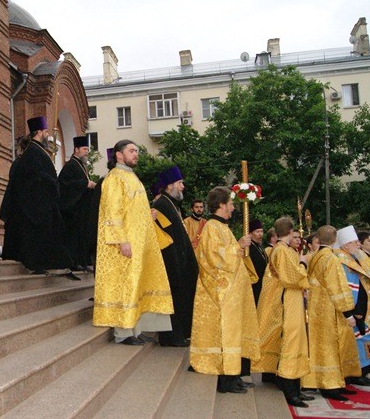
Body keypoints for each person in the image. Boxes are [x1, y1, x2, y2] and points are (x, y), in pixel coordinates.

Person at [93, 140, 173, 345]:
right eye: (131, 151)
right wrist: (122, 241)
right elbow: (112, 212)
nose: (136, 154)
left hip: (140, 242)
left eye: (136, 150)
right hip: (125, 244)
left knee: (138, 284)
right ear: (119, 155)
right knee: (126, 285)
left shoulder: (132, 177)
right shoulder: (114, 178)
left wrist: (148, 215)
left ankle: (136, 329)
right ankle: (123, 333)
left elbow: (131, 210)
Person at [190, 186, 260, 394]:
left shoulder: (222, 227)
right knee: (227, 336)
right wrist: (238, 246)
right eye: (230, 203)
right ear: (221, 205)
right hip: (223, 293)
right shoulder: (211, 227)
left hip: (234, 292)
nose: (233, 207)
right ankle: (226, 380)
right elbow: (214, 257)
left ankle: (235, 375)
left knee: (236, 334)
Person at [1, 116, 76, 278]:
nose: (47, 134)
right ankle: (41, 264)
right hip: (38, 204)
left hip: (44, 202)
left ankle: (58, 265)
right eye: (46, 131)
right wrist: (51, 182)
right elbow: (34, 177)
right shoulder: (33, 152)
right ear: (39, 132)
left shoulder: (37, 150)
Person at [253, 216, 311, 408]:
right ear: (289, 231)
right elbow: (291, 278)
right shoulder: (281, 251)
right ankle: (290, 391)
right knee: (290, 344)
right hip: (286, 302)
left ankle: (296, 387)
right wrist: (303, 263)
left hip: (292, 300)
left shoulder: (284, 250)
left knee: (296, 342)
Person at [301, 225, 361, 402]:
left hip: (316, 308)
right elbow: (338, 288)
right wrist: (348, 313)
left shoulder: (316, 256)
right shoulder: (331, 259)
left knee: (320, 347)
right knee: (331, 347)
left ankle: (328, 382)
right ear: (335, 240)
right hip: (330, 309)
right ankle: (331, 385)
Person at [151, 165, 197, 347]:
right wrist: (175, 264)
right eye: (180, 183)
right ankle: (171, 337)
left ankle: (181, 333)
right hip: (171, 262)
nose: (182, 186)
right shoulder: (161, 205)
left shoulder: (171, 204)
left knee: (181, 299)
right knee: (174, 301)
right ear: (169, 185)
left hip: (180, 261)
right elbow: (164, 239)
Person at [336, 226, 370, 385]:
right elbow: (347, 287)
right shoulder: (342, 261)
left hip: (365, 306)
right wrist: (355, 310)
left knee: (365, 339)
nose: (358, 244)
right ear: (346, 245)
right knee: (359, 341)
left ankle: (363, 371)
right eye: (355, 242)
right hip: (354, 308)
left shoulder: (356, 257)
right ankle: (357, 374)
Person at [58, 135, 97, 271]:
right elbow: (64, 184)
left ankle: (83, 261)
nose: (87, 152)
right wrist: (85, 184)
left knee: (83, 236)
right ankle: (74, 262)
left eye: (87, 149)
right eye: (85, 149)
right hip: (73, 211)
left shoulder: (81, 165)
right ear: (76, 149)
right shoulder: (70, 165)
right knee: (74, 237)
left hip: (82, 210)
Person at [247, 219, 269, 305]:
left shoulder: (260, 246)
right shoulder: (248, 248)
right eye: (257, 232)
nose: (260, 234)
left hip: (263, 282)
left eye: (261, 231)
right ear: (250, 233)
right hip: (254, 284)